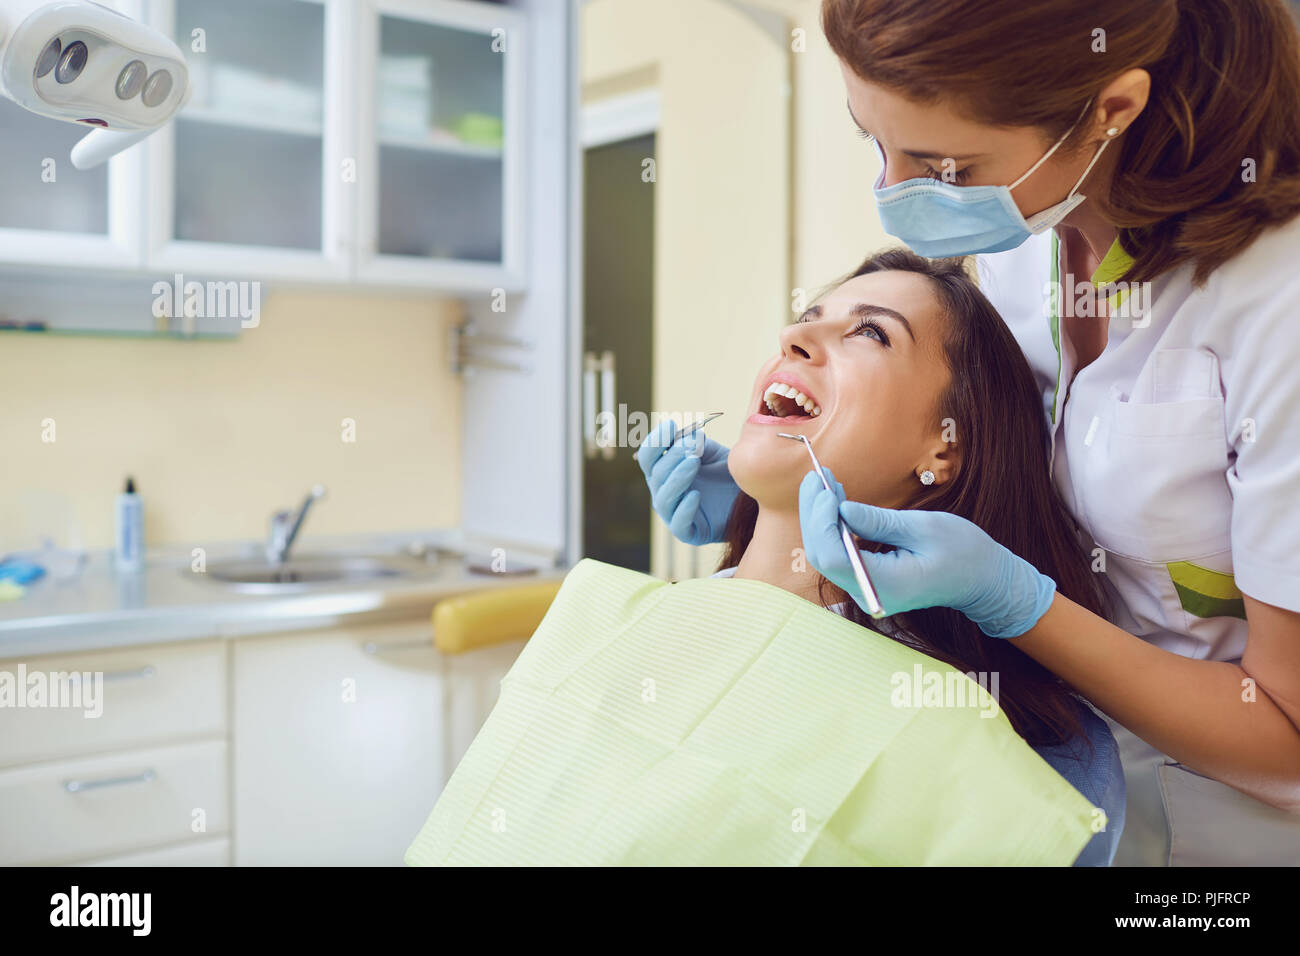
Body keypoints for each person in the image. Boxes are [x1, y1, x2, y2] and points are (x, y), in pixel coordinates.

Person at [645, 0, 1300, 865]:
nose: (891, 198)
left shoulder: (1277, 307)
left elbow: (1286, 731)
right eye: (873, 143)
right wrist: (771, 505)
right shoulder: (1019, 241)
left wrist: (1017, 604)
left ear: (1113, 108)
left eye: (940, 167)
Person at [640, 249, 1124, 865]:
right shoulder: (632, 628)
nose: (794, 336)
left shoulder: (1035, 752)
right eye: (807, 318)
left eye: (870, 332)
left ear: (945, 448)